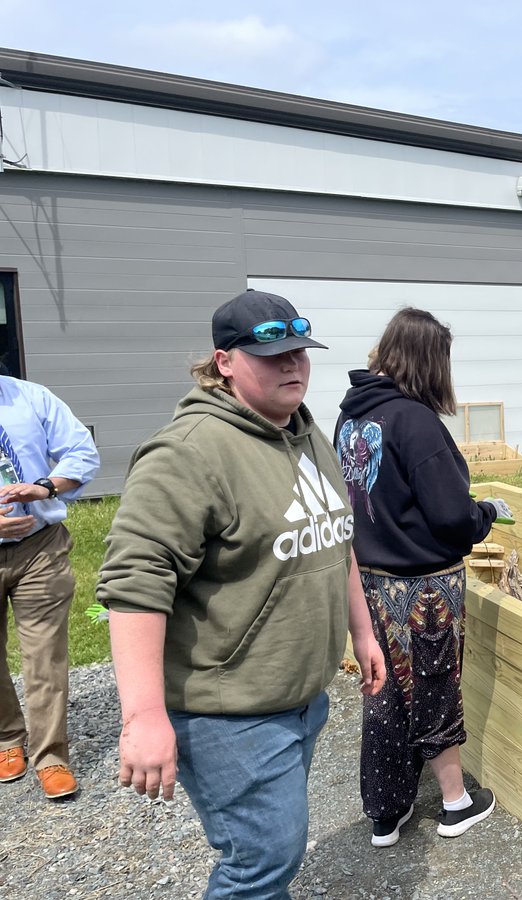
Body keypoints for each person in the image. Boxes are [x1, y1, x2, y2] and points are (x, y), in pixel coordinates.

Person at [97, 289, 386, 899]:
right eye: (271, 355)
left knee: (272, 852)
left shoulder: (306, 434)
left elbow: (336, 541)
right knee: (261, 861)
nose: (292, 365)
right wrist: (144, 716)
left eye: (300, 353)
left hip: (300, 700)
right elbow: (134, 583)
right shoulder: (189, 452)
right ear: (224, 362)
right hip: (227, 712)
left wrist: (362, 632)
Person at [336, 307, 500, 848]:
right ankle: (455, 803)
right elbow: (452, 516)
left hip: (371, 580)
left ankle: (387, 811)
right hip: (424, 586)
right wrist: (484, 515)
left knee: (382, 688)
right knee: (434, 685)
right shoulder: (415, 420)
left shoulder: (352, 417)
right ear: (428, 361)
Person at [0, 375, 100, 798]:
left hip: (39, 547)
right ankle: (7, 739)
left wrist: (46, 486)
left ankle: (51, 754)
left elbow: (81, 452)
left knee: (45, 654)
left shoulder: (29, 397)